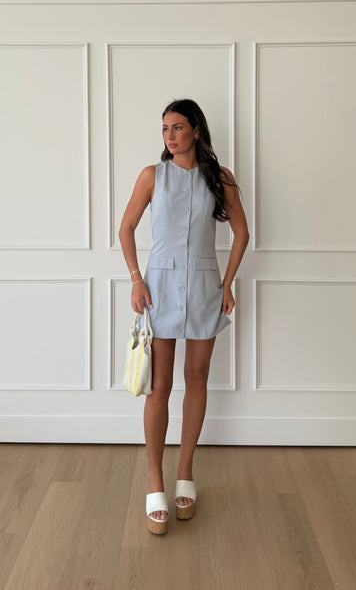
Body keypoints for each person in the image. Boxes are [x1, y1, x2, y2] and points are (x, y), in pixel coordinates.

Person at [119, 99, 249, 535]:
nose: (169, 135)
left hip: (204, 286)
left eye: (177, 127)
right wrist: (137, 279)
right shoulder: (152, 176)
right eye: (164, 129)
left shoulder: (219, 178)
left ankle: (185, 473)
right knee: (160, 385)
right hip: (158, 286)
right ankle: (154, 480)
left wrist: (227, 283)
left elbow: (241, 232)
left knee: (197, 377)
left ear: (196, 130)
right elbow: (126, 229)